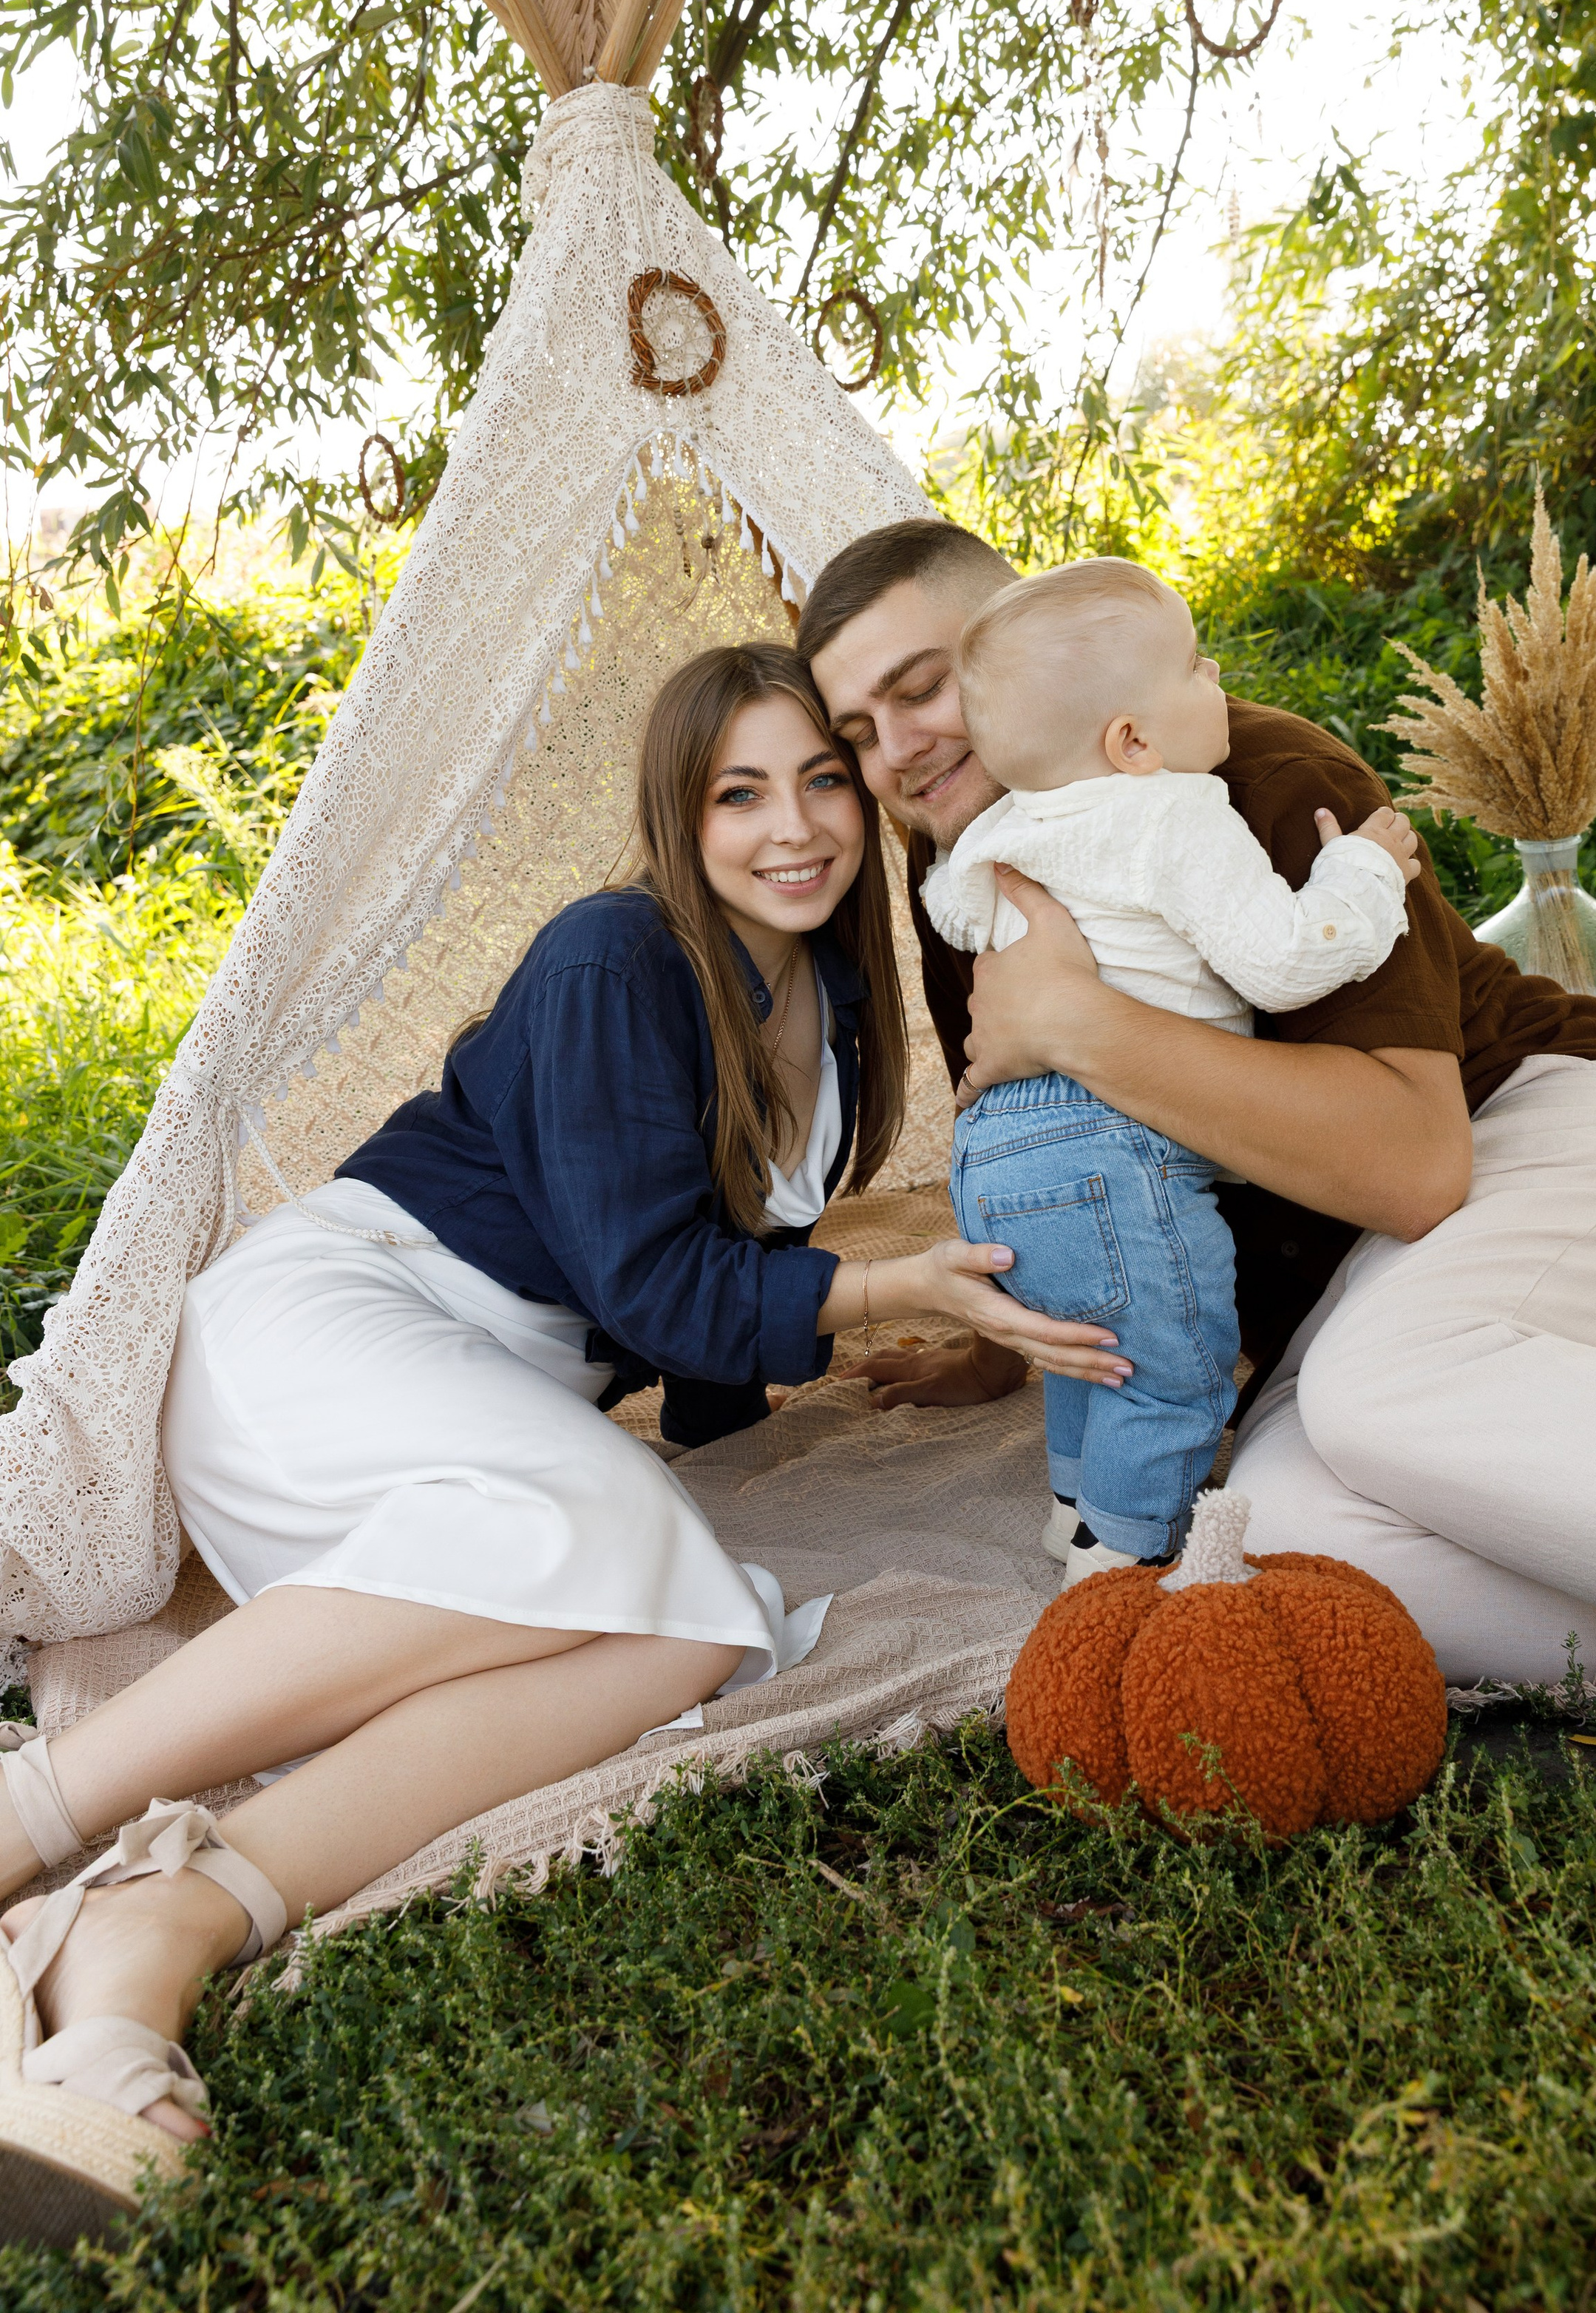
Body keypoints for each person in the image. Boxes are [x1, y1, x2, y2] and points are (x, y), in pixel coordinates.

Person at [0, 641, 1110, 2201]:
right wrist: (877, 1296)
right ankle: (27, 1819)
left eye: (818, 783)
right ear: (679, 816)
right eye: (739, 794)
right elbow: (661, 1287)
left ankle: (158, 1928)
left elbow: (724, 1258)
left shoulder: (838, 995)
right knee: (616, 1530)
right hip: (334, 1331)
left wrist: (831, 1385)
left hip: (472, 1423)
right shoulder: (614, 953)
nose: (790, 828)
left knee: (693, 1629)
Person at [804, 518, 1596, 1758]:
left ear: (1018, 647)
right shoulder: (970, 859)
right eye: (853, 731)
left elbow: (1415, 1169)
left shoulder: (1247, 781)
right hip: (1379, 1297)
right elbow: (1065, 1153)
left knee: (1384, 1395)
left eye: (921, 689)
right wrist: (1009, 1351)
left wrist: (1084, 1022)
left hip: (1563, 1153)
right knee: (1259, 1539)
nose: (894, 752)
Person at [926, 555, 1419, 1581]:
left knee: (1084, 1347)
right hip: (1116, 1148)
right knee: (1172, 1377)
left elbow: (956, 912)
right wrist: (1365, 871)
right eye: (1198, 667)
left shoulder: (1002, 828)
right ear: (1133, 741)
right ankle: (1116, 1577)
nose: (1219, 679)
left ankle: (1073, 1510)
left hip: (992, 1159)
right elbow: (1284, 959)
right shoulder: (1180, 813)